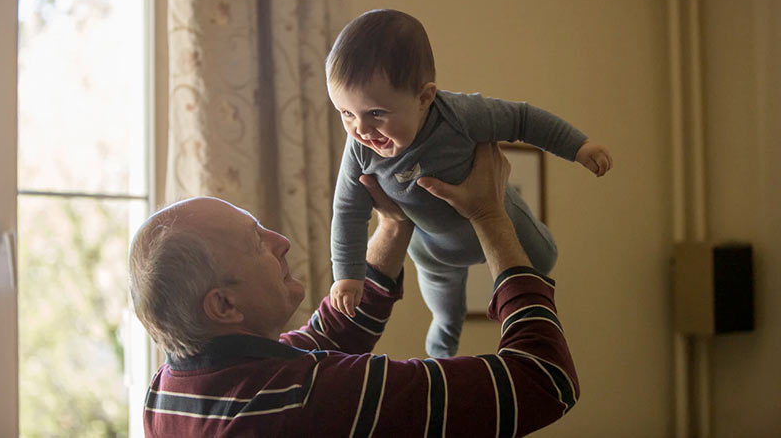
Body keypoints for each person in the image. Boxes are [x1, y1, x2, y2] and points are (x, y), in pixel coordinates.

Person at [129, 143, 579, 437]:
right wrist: (490, 216)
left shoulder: (169, 391)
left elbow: (327, 336)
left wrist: (394, 224)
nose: (280, 242)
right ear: (224, 304)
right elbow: (543, 380)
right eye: (257, 242)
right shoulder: (311, 400)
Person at [328, 8, 613, 357]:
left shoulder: (460, 115)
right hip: (434, 250)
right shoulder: (359, 149)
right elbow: (347, 211)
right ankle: (441, 356)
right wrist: (347, 275)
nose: (361, 129)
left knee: (545, 258)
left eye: (376, 113)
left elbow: (523, 119)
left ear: (424, 98)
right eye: (345, 113)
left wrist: (578, 146)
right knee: (446, 313)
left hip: (501, 216)